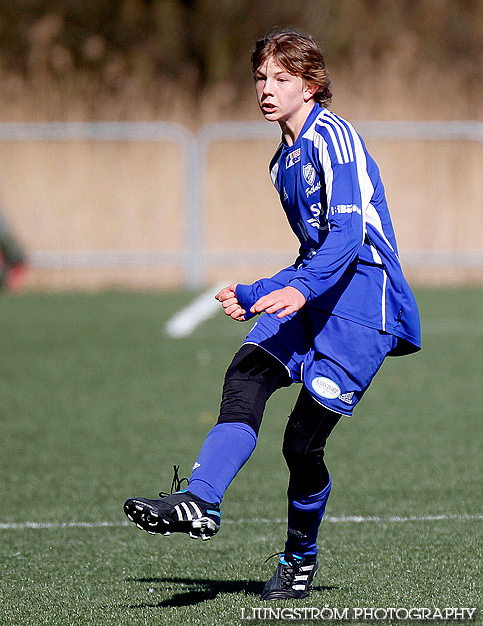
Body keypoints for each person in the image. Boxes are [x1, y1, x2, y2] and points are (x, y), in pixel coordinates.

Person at [124, 28, 421, 601]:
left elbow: (349, 233)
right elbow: (312, 254)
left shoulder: (333, 137)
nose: (267, 88)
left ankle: (299, 559)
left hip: (364, 305)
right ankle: (202, 500)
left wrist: (301, 289)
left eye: (282, 78)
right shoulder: (280, 162)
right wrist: (260, 288)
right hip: (316, 292)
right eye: (261, 77)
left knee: (301, 445)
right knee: (246, 373)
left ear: (311, 86)